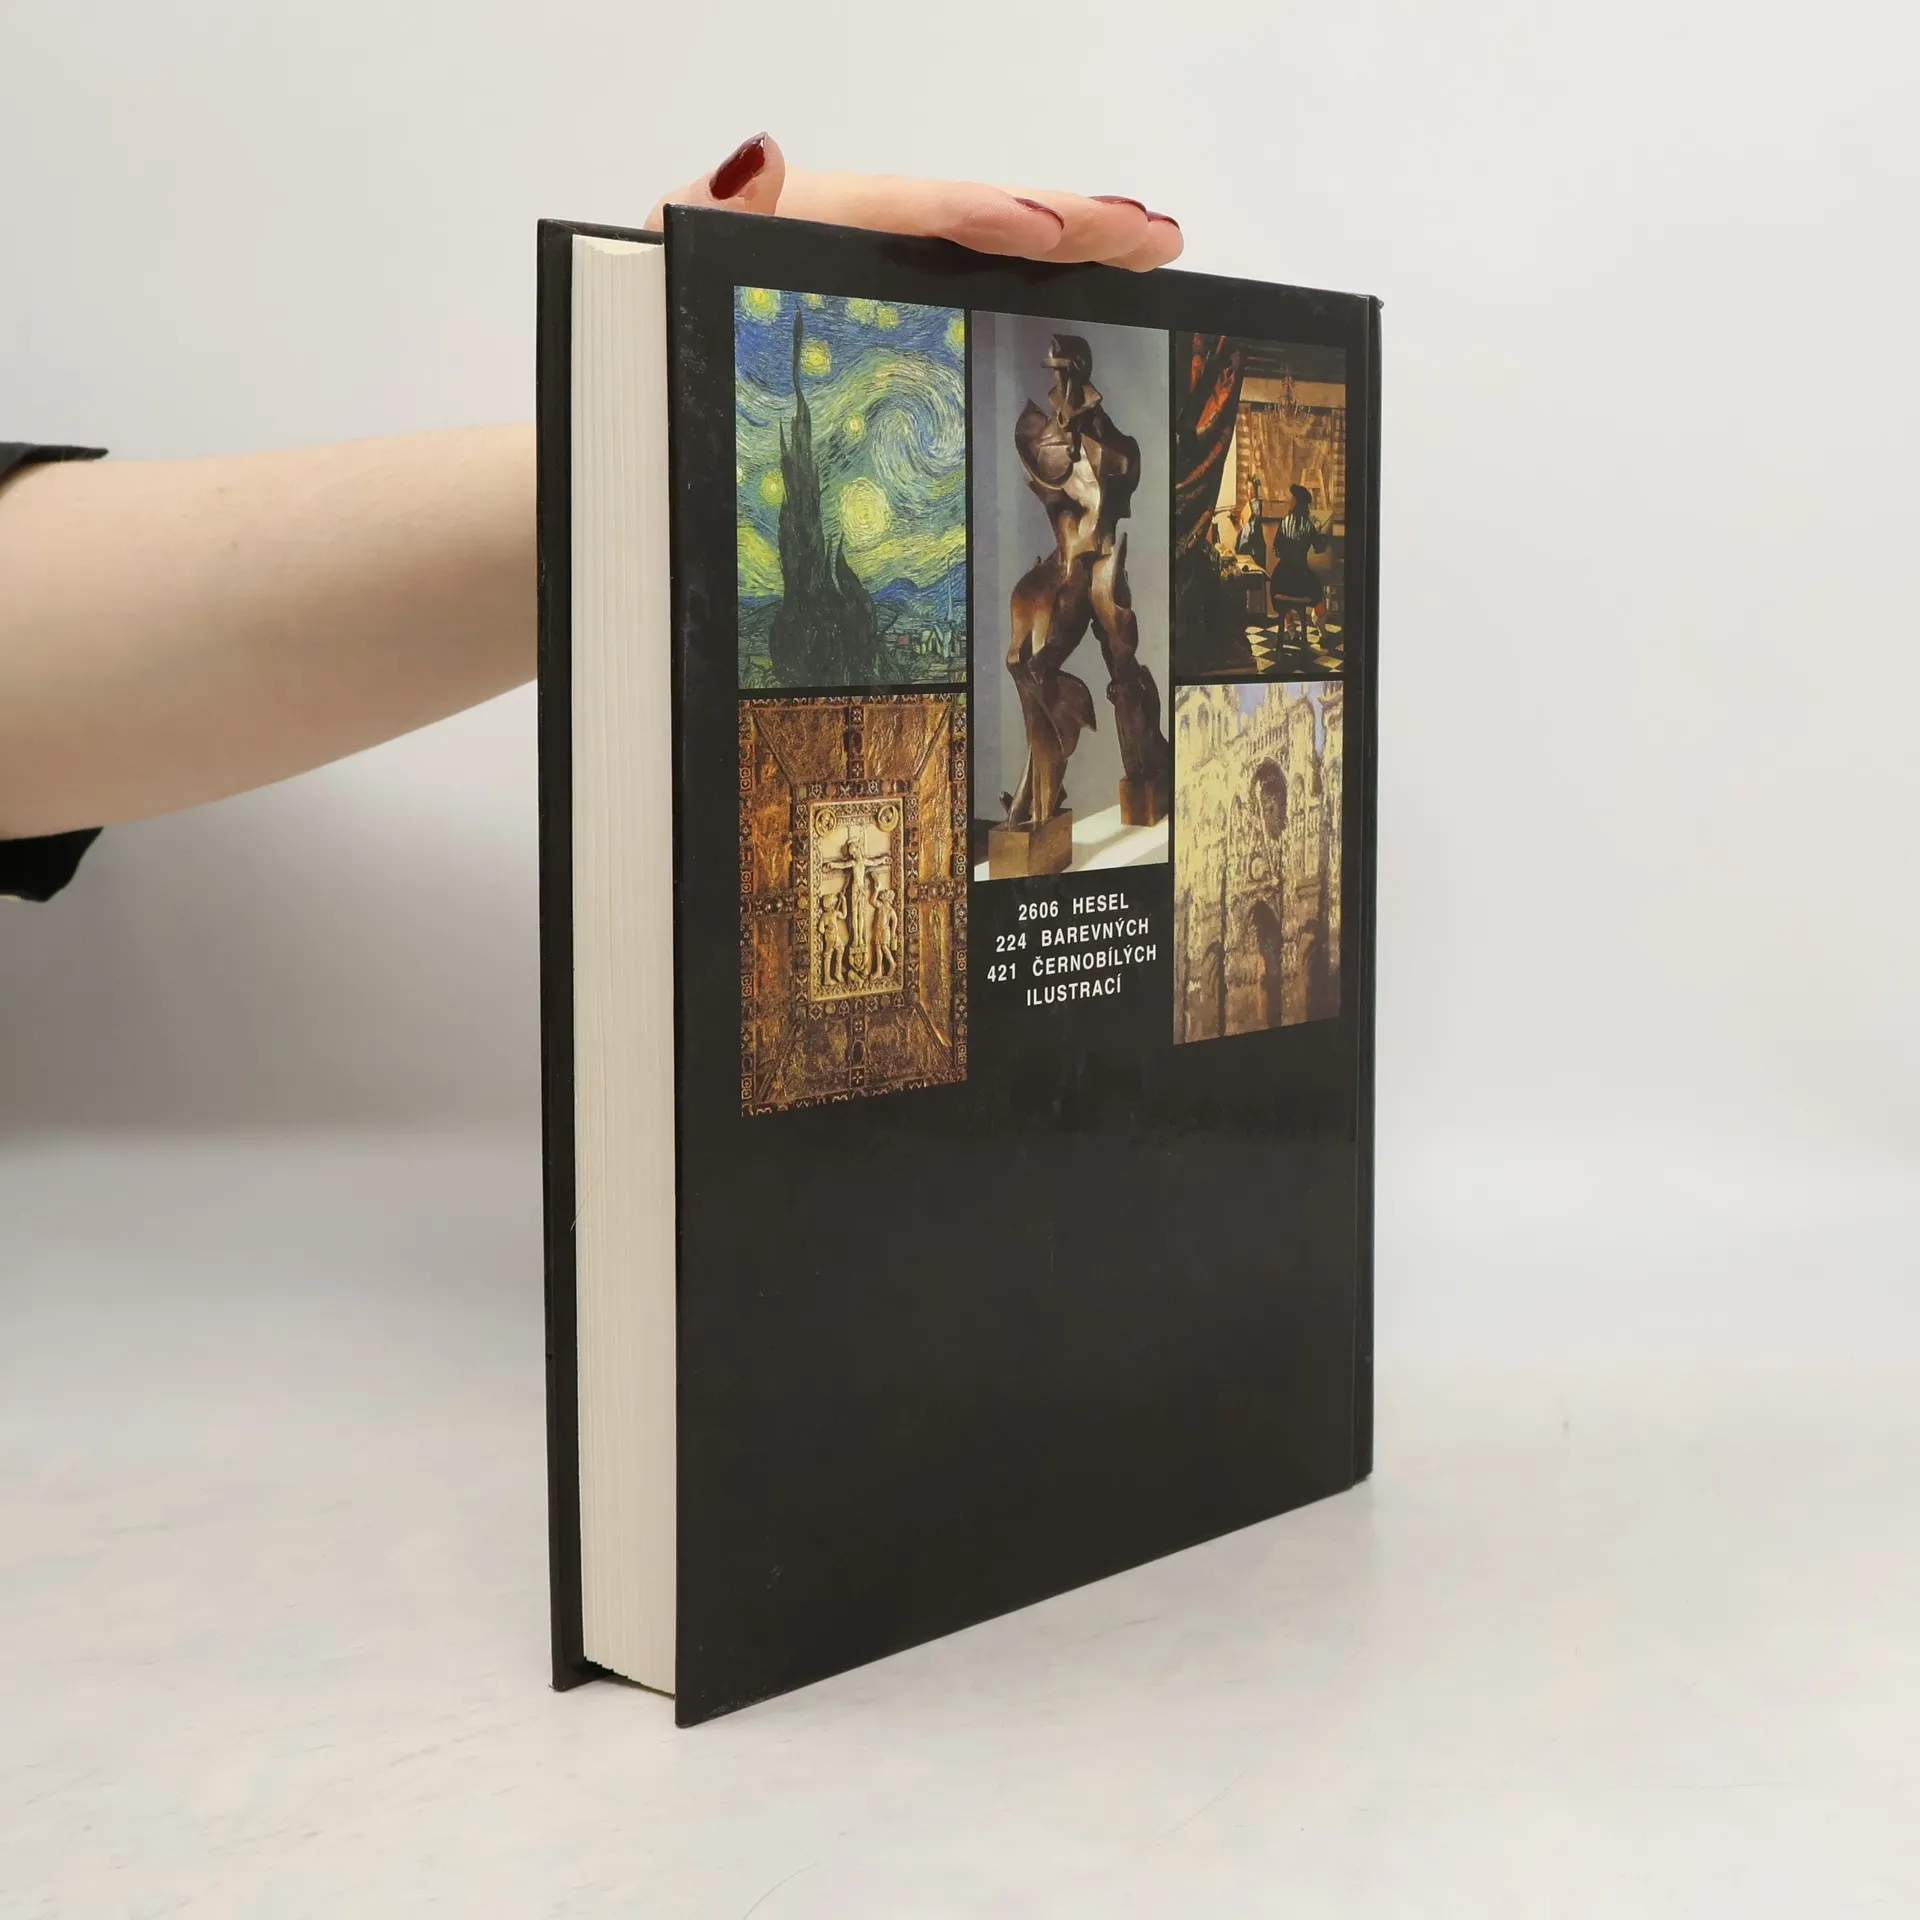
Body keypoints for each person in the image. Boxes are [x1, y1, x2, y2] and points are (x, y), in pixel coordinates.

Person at [0, 134, 1181, 901]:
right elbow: (1045, 465)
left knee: (1118, 644)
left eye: (1071, 367)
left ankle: (1136, 763)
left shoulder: (1107, 440)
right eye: (1058, 367)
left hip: (1102, 558)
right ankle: (1042, 795)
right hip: (1055, 545)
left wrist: (635, 448)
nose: (1061, 377)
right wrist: (647, 434)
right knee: (1026, 658)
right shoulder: (1043, 429)